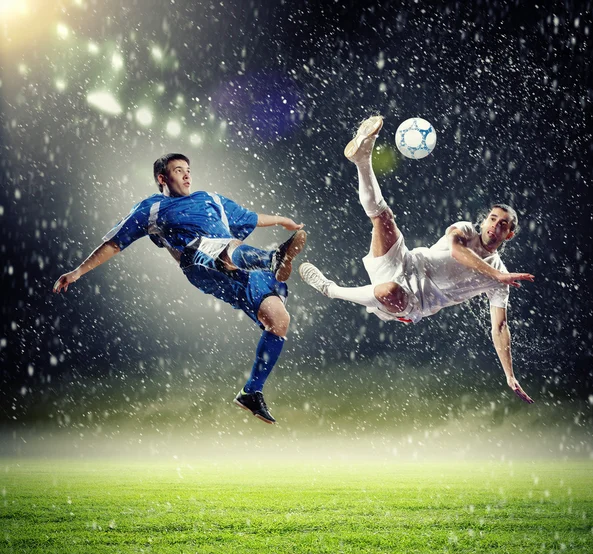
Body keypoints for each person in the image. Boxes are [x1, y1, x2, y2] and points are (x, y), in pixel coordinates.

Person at [53, 153, 307, 424]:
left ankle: (251, 392)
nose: (186, 175)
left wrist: (281, 220)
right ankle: (271, 260)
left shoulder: (211, 198)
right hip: (198, 261)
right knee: (225, 246)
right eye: (178, 170)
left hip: (238, 266)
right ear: (163, 179)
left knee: (279, 320)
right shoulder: (152, 208)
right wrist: (78, 271)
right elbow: (116, 242)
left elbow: (250, 217)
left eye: (188, 170)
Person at [299, 116, 535, 403]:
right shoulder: (465, 230)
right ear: (484, 220)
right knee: (382, 218)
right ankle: (362, 160)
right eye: (492, 219)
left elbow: (499, 327)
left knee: (389, 290)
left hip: (413, 301)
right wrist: (496, 275)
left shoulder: (500, 279)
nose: (494, 226)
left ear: (509, 235)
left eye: (503, 225)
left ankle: (330, 289)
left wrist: (509, 374)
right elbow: (459, 252)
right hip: (406, 261)